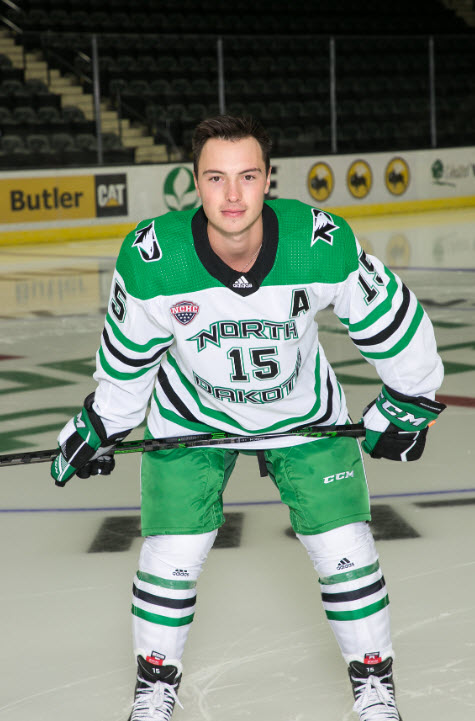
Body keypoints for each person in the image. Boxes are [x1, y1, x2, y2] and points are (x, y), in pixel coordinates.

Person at [51, 115, 445, 721]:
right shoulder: (153, 257)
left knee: (346, 547)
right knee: (170, 554)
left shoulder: (320, 240)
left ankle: (373, 684)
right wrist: (100, 424)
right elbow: (127, 366)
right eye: (216, 178)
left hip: (304, 413)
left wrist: (410, 401)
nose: (232, 195)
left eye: (246, 177)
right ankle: (155, 687)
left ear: (269, 181)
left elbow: (394, 324)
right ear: (193, 183)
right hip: (192, 414)